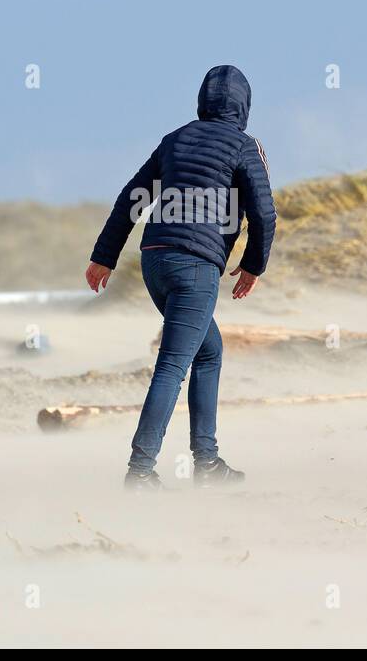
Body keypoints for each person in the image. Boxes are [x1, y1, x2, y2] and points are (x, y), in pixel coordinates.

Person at [85, 65, 276, 491]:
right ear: (244, 106)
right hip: (196, 266)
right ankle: (140, 470)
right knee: (172, 364)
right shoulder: (245, 146)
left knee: (208, 352)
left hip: (155, 261)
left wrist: (104, 256)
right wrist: (253, 265)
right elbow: (264, 211)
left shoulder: (175, 139)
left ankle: (206, 462)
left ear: (202, 101)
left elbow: (133, 196)